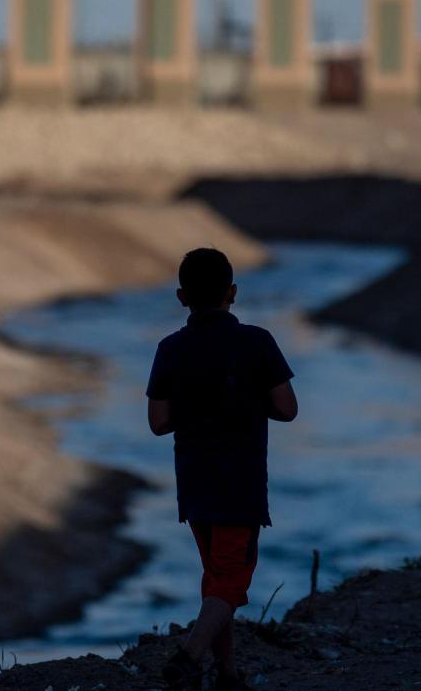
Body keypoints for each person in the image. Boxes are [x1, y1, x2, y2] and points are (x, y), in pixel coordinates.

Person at [146, 247, 299, 691]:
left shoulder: (170, 348)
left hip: (194, 482)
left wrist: (196, 408)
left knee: (217, 578)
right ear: (233, 292)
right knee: (231, 580)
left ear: (181, 297)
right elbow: (287, 409)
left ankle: (227, 676)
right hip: (241, 481)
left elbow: (158, 422)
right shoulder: (257, 341)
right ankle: (189, 657)